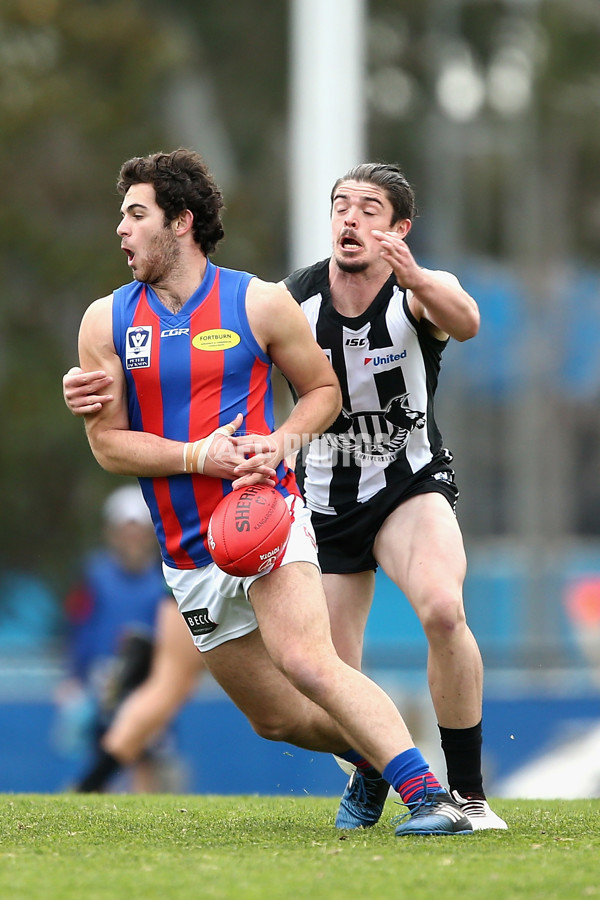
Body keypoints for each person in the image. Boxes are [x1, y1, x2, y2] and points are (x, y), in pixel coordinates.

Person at [64, 160, 506, 831]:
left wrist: (282, 440)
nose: (121, 229)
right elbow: (108, 446)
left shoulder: (256, 302)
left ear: (180, 223)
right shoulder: (105, 321)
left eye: (136, 214)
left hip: (269, 516)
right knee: (277, 718)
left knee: (314, 660)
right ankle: (378, 763)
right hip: (188, 555)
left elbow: (323, 391)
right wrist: (195, 453)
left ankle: (437, 797)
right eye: (340, 204)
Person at [57, 483, 196, 792]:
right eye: (126, 531)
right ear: (113, 533)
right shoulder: (94, 575)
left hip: (148, 679)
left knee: (148, 750)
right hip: (102, 680)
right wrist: (73, 679)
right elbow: (77, 627)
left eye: (138, 532)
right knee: (105, 743)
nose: (132, 539)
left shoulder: (165, 577)